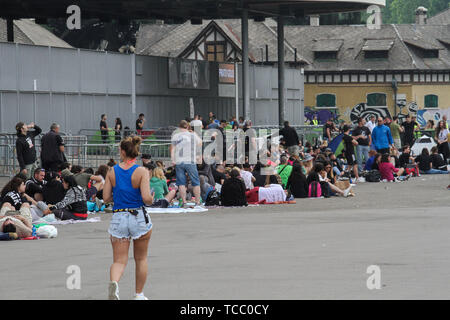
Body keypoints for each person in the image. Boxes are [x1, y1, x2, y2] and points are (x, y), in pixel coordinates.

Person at [103, 135, 154, 300]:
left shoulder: (112, 171)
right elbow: (146, 198)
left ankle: (114, 284)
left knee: (119, 260)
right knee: (141, 258)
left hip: (119, 215)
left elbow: (105, 198)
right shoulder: (141, 171)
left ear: (124, 152)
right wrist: (152, 198)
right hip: (138, 215)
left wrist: (119, 195)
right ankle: (139, 294)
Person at [170, 120, 202, 207]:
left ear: (179, 127)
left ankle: (184, 202)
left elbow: (172, 148)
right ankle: (197, 202)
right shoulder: (192, 135)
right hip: (190, 161)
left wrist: (173, 160)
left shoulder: (176, 136)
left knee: (181, 183)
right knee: (195, 182)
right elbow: (200, 143)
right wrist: (194, 134)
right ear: (187, 127)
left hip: (179, 161)